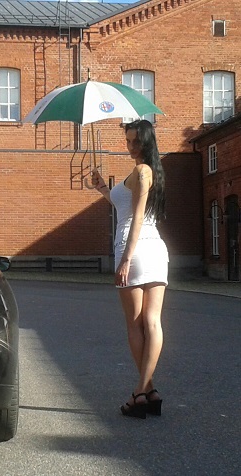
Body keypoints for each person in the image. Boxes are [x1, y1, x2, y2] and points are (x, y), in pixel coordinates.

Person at [90, 119, 168, 419]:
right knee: (152, 321)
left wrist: (125, 258)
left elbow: (135, 218)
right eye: (128, 141)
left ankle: (139, 392)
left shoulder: (142, 171)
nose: (131, 146)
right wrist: (102, 188)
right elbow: (124, 207)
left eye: (136, 141)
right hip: (155, 250)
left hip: (133, 248)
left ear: (147, 141)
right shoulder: (148, 172)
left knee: (137, 324)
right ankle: (150, 391)